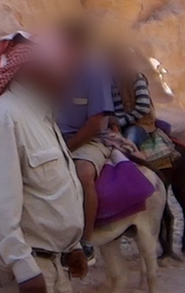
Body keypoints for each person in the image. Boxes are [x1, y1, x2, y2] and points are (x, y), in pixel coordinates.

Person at [0, 32, 87, 293]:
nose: (70, 79)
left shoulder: (41, 119)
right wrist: (24, 270)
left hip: (51, 265)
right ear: (31, 71)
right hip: (23, 272)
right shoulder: (2, 120)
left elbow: (49, 194)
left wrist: (72, 247)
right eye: (61, 69)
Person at [56, 29, 116, 264]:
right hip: (55, 137)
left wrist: (68, 148)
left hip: (87, 140)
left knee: (83, 173)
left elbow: (95, 122)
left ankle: (86, 241)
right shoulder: (56, 73)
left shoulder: (95, 73)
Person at [111, 49, 179, 170]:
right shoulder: (110, 81)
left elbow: (143, 107)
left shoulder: (137, 78)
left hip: (138, 124)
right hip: (118, 125)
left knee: (127, 146)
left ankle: (137, 176)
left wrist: (121, 121)